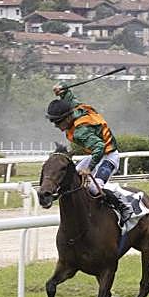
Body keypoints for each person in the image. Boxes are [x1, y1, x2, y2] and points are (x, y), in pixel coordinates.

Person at [46, 84, 128, 220]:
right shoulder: (75, 108)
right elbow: (69, 96)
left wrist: (89, 168)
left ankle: (122, 205)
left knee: (95, 188)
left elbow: (100, 147)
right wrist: (62, 89)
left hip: (109, 157)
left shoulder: (80, 132)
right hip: (96, 155)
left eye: (58, 122)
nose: (57, 126)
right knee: (70, 176)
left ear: (67, 118)